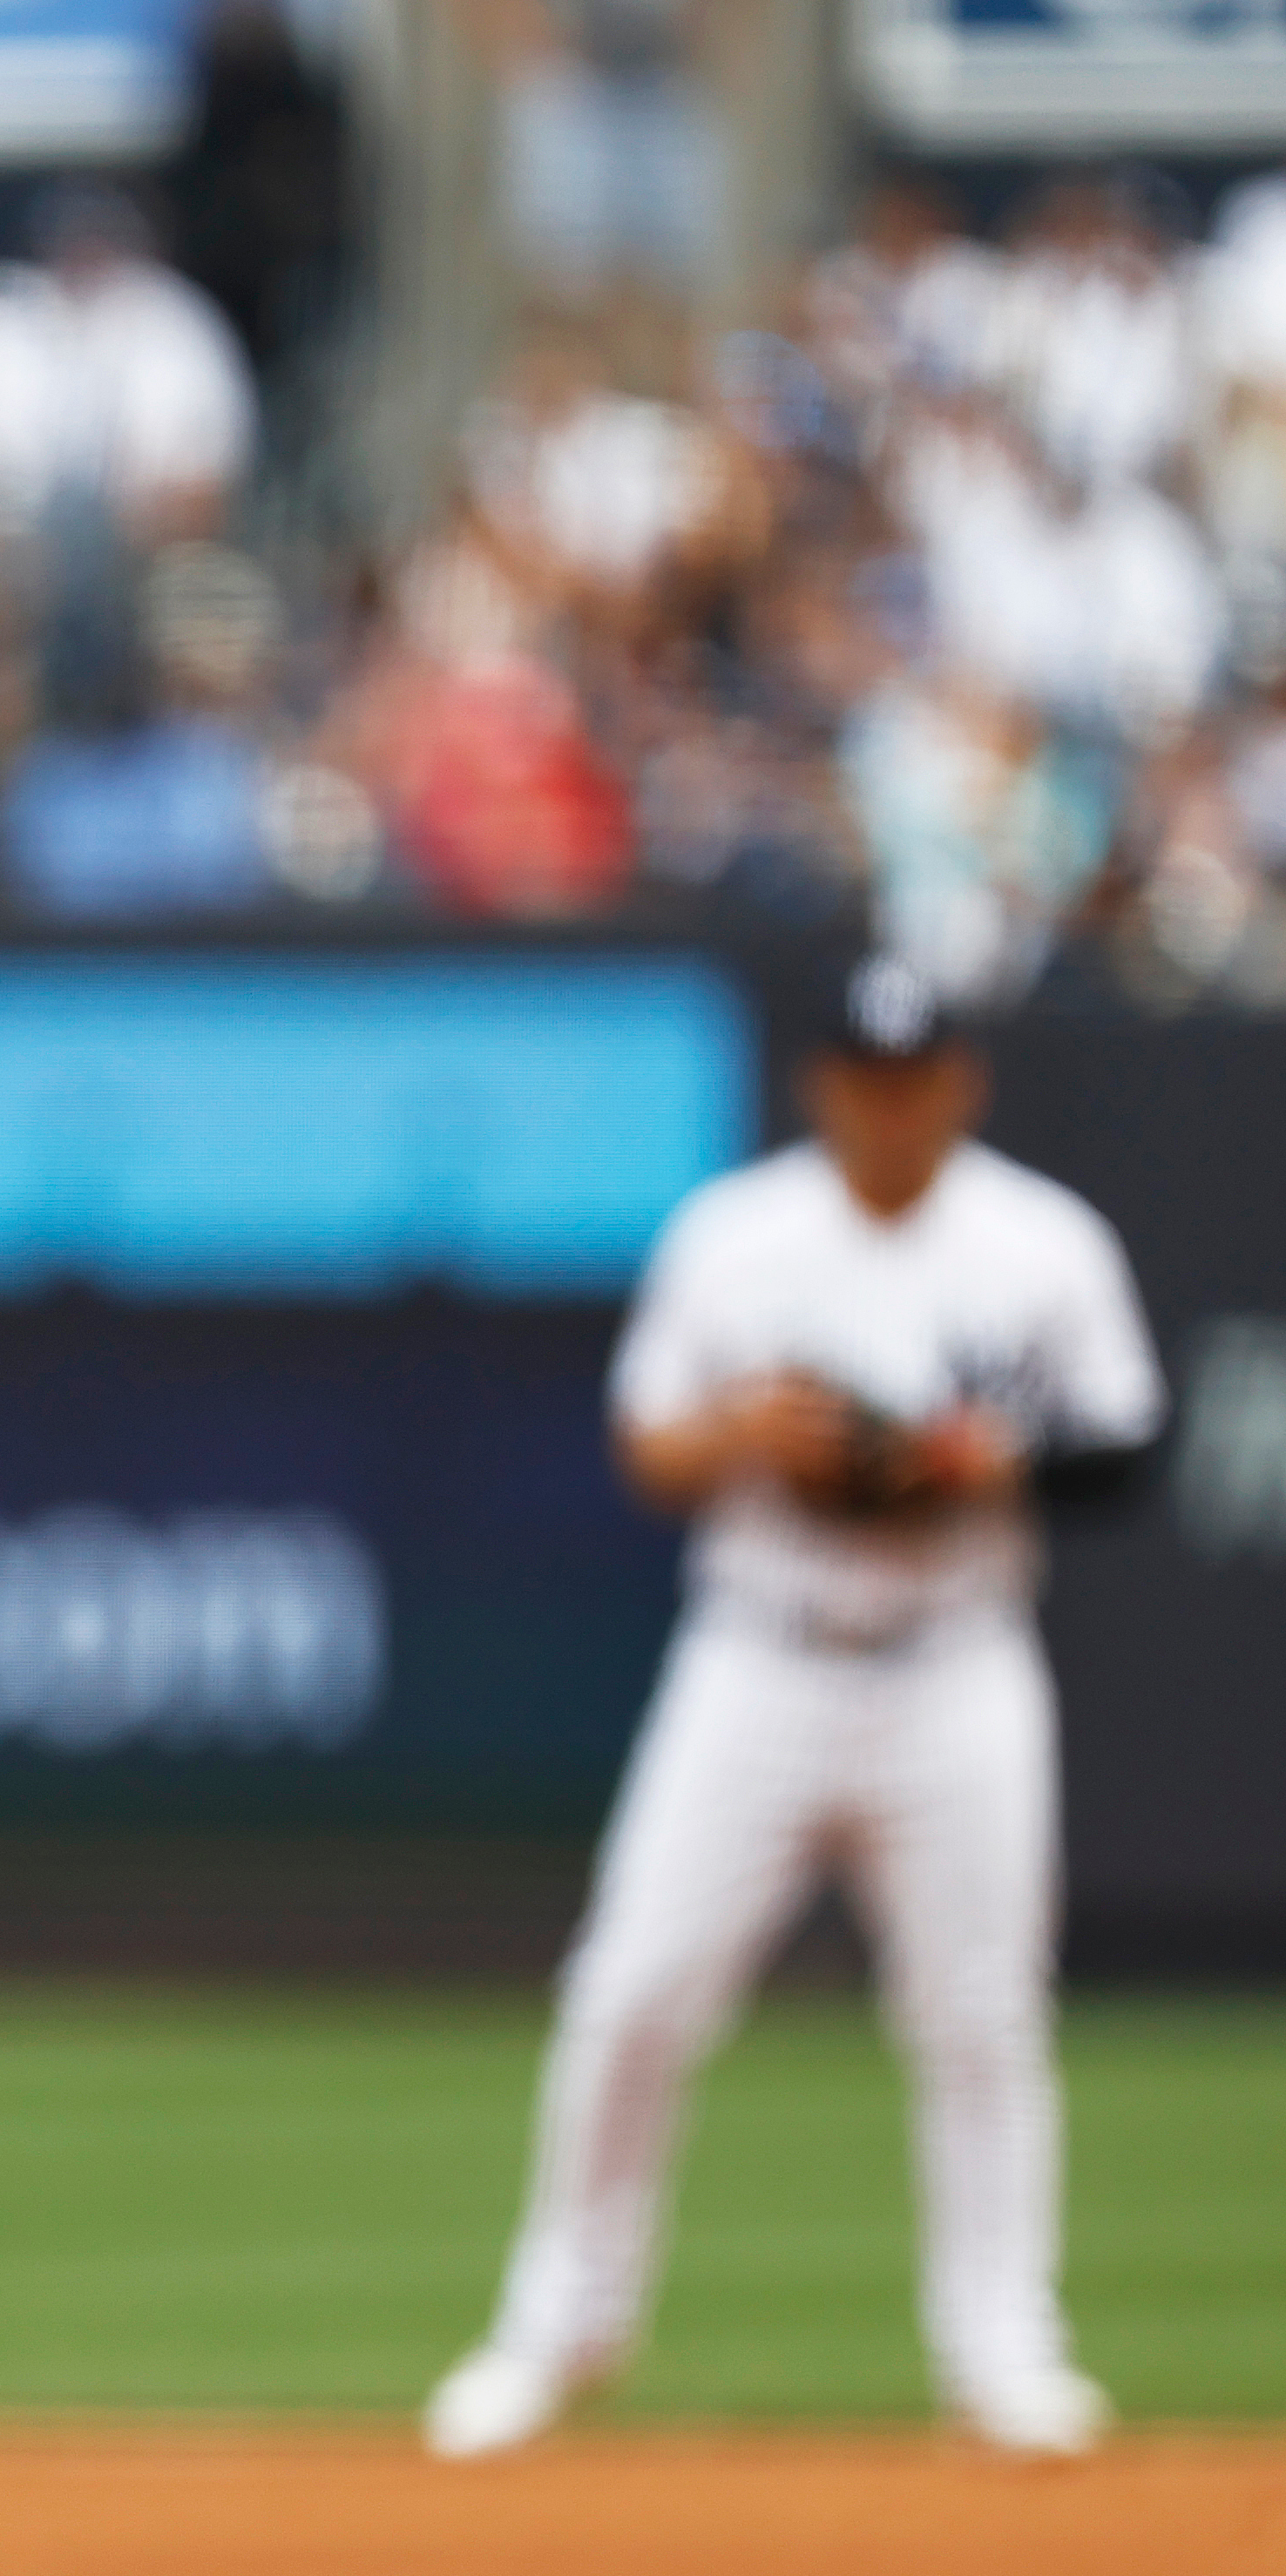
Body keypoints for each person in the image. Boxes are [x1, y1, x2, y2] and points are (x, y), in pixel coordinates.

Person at [425, 957, 1161, 2459]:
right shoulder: (737, 1235)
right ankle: (556, 2330)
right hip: (758, 1657)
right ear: (823, 1086)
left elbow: (1127, 1444)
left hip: (958, 1661)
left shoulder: (1041, 1243)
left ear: (960, 1085)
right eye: (862, 1081)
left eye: (917, 1080)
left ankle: (1004, 2349)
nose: (889, 1109)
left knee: (980, 2016)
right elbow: (650, 1447)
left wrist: (981, 1465)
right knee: (633, 1992)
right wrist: (743, 1431)